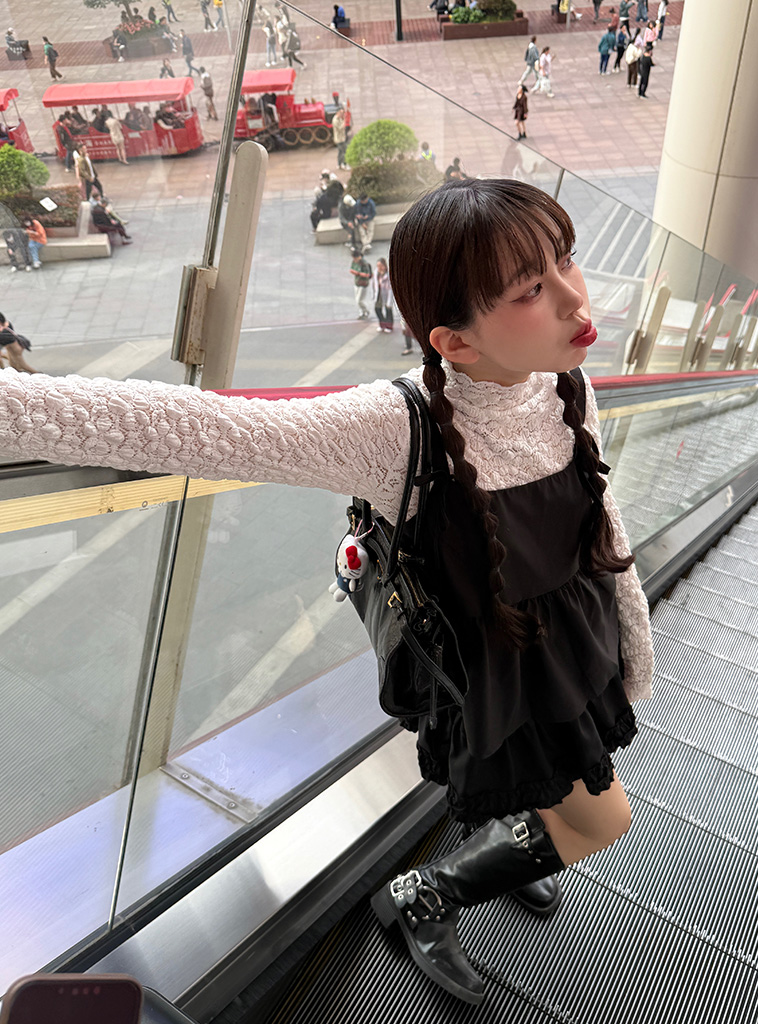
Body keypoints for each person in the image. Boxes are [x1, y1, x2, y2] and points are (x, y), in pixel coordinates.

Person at [0, 179, 653, 1008]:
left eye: (566, 260)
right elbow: (188, 427)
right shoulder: (394, 429)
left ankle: (527, 831)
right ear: (454, 341)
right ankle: (425, 894)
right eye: (531, 288)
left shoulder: (562, 381)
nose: (574, 299)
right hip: (495, 668)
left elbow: (605, 526)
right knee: (605, 819)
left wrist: (632, 643)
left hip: (570, 651)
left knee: (560, 799)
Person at [349, 247, 372, 319]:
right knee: (357, 300)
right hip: (357, 282)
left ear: (359, 256)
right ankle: (361, 313)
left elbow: (367, 274)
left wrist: (358, 273)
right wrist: (354, 272)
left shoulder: (364, 263)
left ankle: (366, 311)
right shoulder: (354, 261)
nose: (354, 260)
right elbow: (351, 269)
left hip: (363, 283)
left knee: (359, 300)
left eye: (355, 258)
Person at [372, 258, 394, 333]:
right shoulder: (376, 273)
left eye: (381, 266)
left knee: (388, 310)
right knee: (377, 309)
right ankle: (382, 324)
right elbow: (374, 284)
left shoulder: (388, 274)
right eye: (378, 266)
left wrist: (390, 300)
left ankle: (389, 326)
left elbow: (390, 288)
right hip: (378, 294)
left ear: (384, 266)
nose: (379, 268)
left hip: (387, 294)